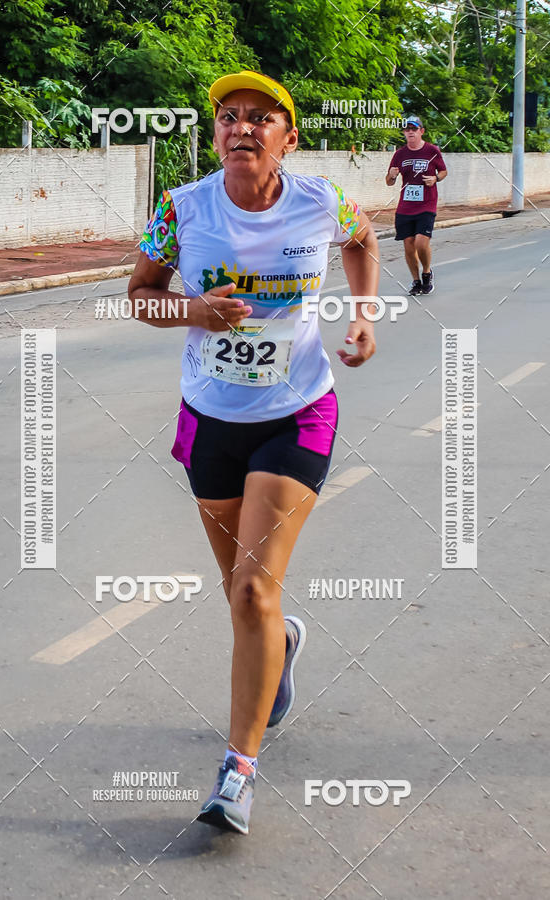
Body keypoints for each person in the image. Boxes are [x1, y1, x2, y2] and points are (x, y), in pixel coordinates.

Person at [128, 70, 379, 835]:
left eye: (260, 119)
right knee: (240, 593)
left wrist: (365, 314)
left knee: (249, 593)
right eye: (227, 118)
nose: (241, 128)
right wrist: (193, 310)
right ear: (214, 137)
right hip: (211, 418)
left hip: (297, 411)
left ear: (287, 139)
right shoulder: (182, 209)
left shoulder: (320, 201)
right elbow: (139, 293)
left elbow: (365, 239)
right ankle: (284, 643)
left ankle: (237, 773)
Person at [386, 115, 447, 296]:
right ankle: (416, 281)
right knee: (408, 244)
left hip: (427, 204)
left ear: (421, 131)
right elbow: (389, 182)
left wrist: (435, 178)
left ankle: (427, 272)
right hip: (405, 206)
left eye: (414, 129)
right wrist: (392, 175)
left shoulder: (432, 151)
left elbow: (443, 171)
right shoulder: (399, 154)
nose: (410, 132)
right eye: (407, 129)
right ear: (404, 133)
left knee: (421, 242)